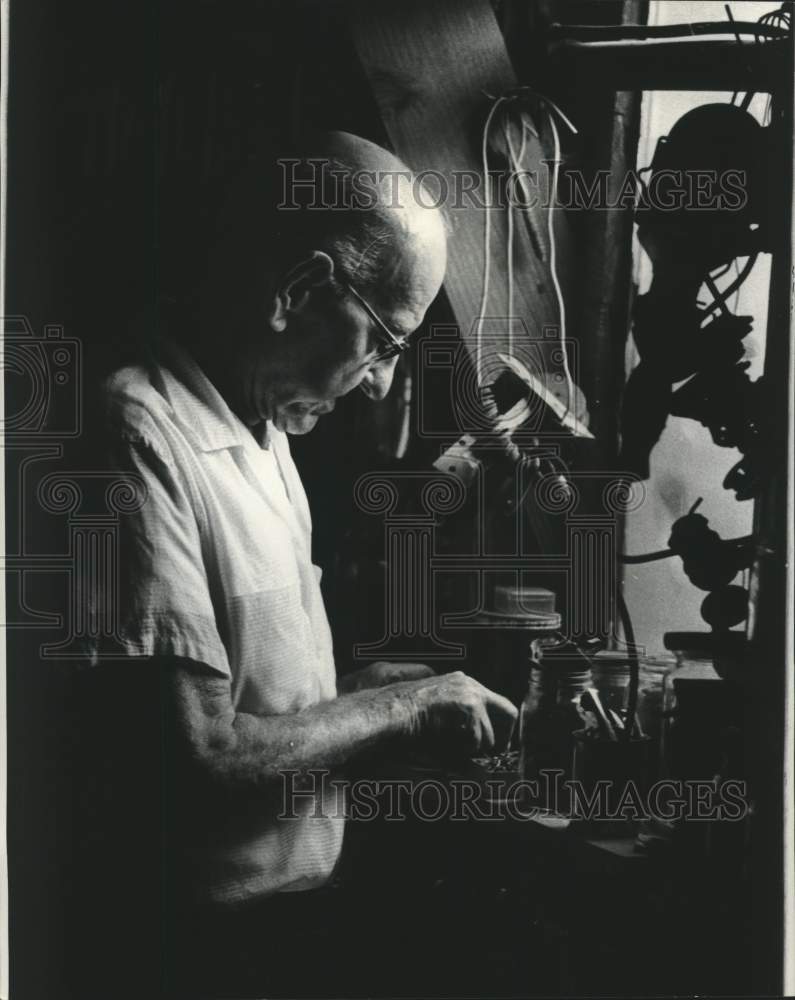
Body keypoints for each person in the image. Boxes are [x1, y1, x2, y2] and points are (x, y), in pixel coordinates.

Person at [90, 131, 516, 996]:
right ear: (299, 290)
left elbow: (248, 699)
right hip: (189, 953)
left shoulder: (266, 428)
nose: (380, 384)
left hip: (282, 931)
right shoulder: (136, 437)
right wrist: (401, 708)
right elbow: (196, 759)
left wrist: (362, 689)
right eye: (383, 345)